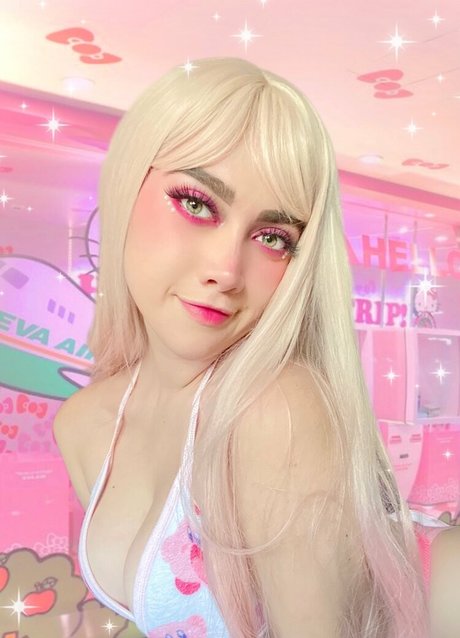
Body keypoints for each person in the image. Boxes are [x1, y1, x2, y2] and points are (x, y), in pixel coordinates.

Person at [53, 57, 431, 638]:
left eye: (272, 237)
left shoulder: (275, 411)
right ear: (127, 188)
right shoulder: (82, 423)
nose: (227, 270)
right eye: (197, 203)